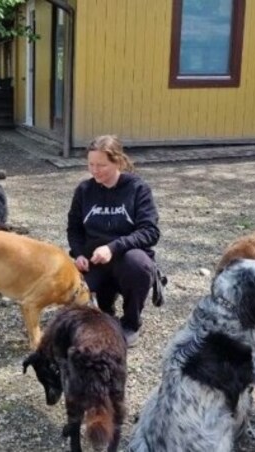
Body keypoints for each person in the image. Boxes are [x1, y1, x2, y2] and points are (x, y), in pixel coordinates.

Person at [67, 135, 161, 347]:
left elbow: (150, 232)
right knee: (71, 303)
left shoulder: (138, 189)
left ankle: (130, 322)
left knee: (138, 263)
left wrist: (113, 247)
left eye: (102, 165)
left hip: (127, 260)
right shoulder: (84, 190)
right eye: (91, 164)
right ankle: (104, 307)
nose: (95, 170)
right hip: (94, 261)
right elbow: (74, 229)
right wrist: (79, 253)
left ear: (118, 162)